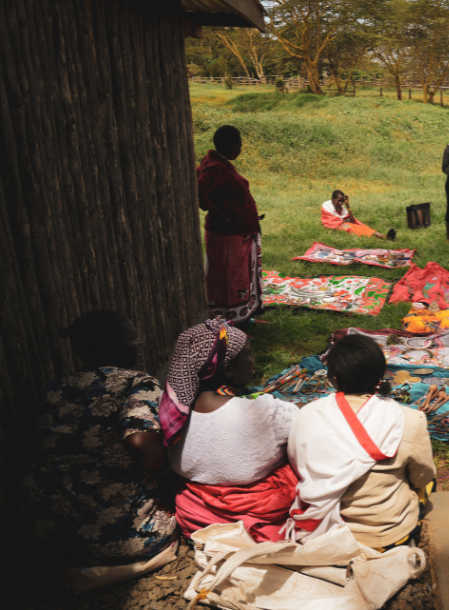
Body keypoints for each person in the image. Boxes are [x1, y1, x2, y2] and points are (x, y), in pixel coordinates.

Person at [22, 311, 177, 588]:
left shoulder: (54, 388)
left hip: (57, 540)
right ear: (114, 350)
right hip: (129, 541)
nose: (139, 343)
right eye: (133, 338)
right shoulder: (138, 383)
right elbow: (146, 445)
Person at [288, 335, 436, 549]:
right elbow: (422, 477)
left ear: (333, 378)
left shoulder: (307, 415)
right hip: (387, 534)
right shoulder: (410, 420)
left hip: (326, 536)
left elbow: (298, 464)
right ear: (381, 375)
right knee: (430, 482)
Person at [163, 318, 300, 542]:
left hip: (195, 516)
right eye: (248, 354)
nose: (253, 361)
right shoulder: (263, 409)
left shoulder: (171, 412)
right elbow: (303, 427)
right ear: (228, 369)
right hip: (256, 515)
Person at [197, 125, 264, 325]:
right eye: (240, 144)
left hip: (237, 233)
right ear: (232, 146)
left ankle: (242, 317)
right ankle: (230, 322)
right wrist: (222, 214)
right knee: (229, 279)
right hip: (227, 234)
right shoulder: (216, 167)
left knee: (238, 278)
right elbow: (199, 189)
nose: (241, 148)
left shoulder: (218, 163)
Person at [321, 189, 395, 241]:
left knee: (362, 227)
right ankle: (383, 237)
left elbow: (352, 220)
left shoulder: (342, 207)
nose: (340, 203)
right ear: (333, 199)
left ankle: (383, 236)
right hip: (342, 226)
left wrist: (347, 205)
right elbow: (329, 222)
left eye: (342, 201)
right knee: (354, 228)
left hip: (345, 225)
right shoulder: (326, 206)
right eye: (338, 201)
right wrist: (343, 221)